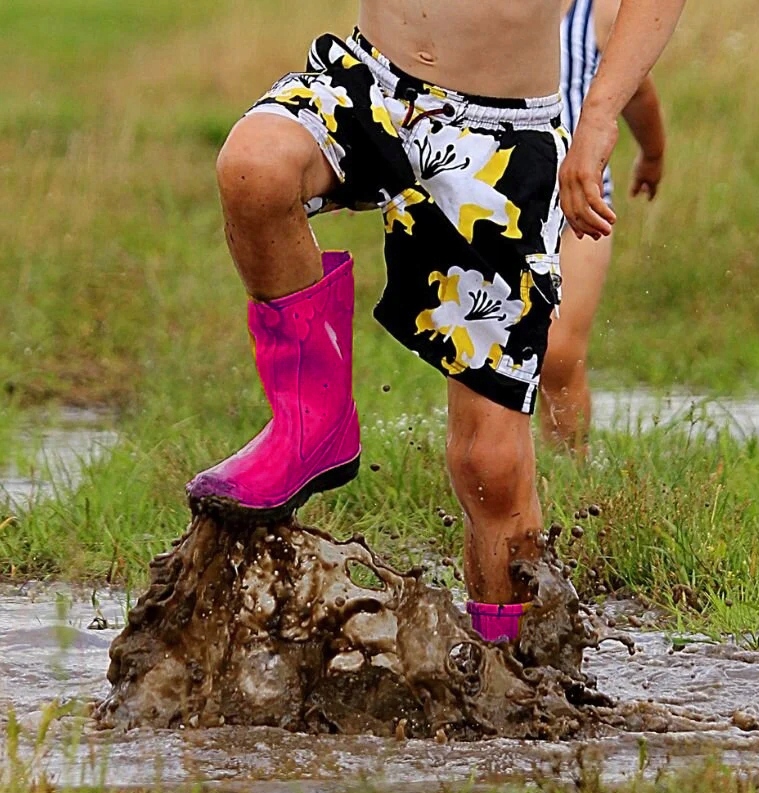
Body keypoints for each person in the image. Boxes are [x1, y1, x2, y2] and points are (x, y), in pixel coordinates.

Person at [186, 0, 686, 642]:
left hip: (501, 139)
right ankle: (312, 425)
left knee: (488, 464)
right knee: (255, 168)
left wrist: (596, 118)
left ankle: (511, 666)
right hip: (370, 82)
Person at [539, 0, 666, 453]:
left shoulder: (601, 13)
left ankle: (568, 466)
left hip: (581, 207)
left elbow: (638, 91)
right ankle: (504, 470)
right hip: (493, 201)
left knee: (558, 354)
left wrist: (652, 154)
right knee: (492, 350)